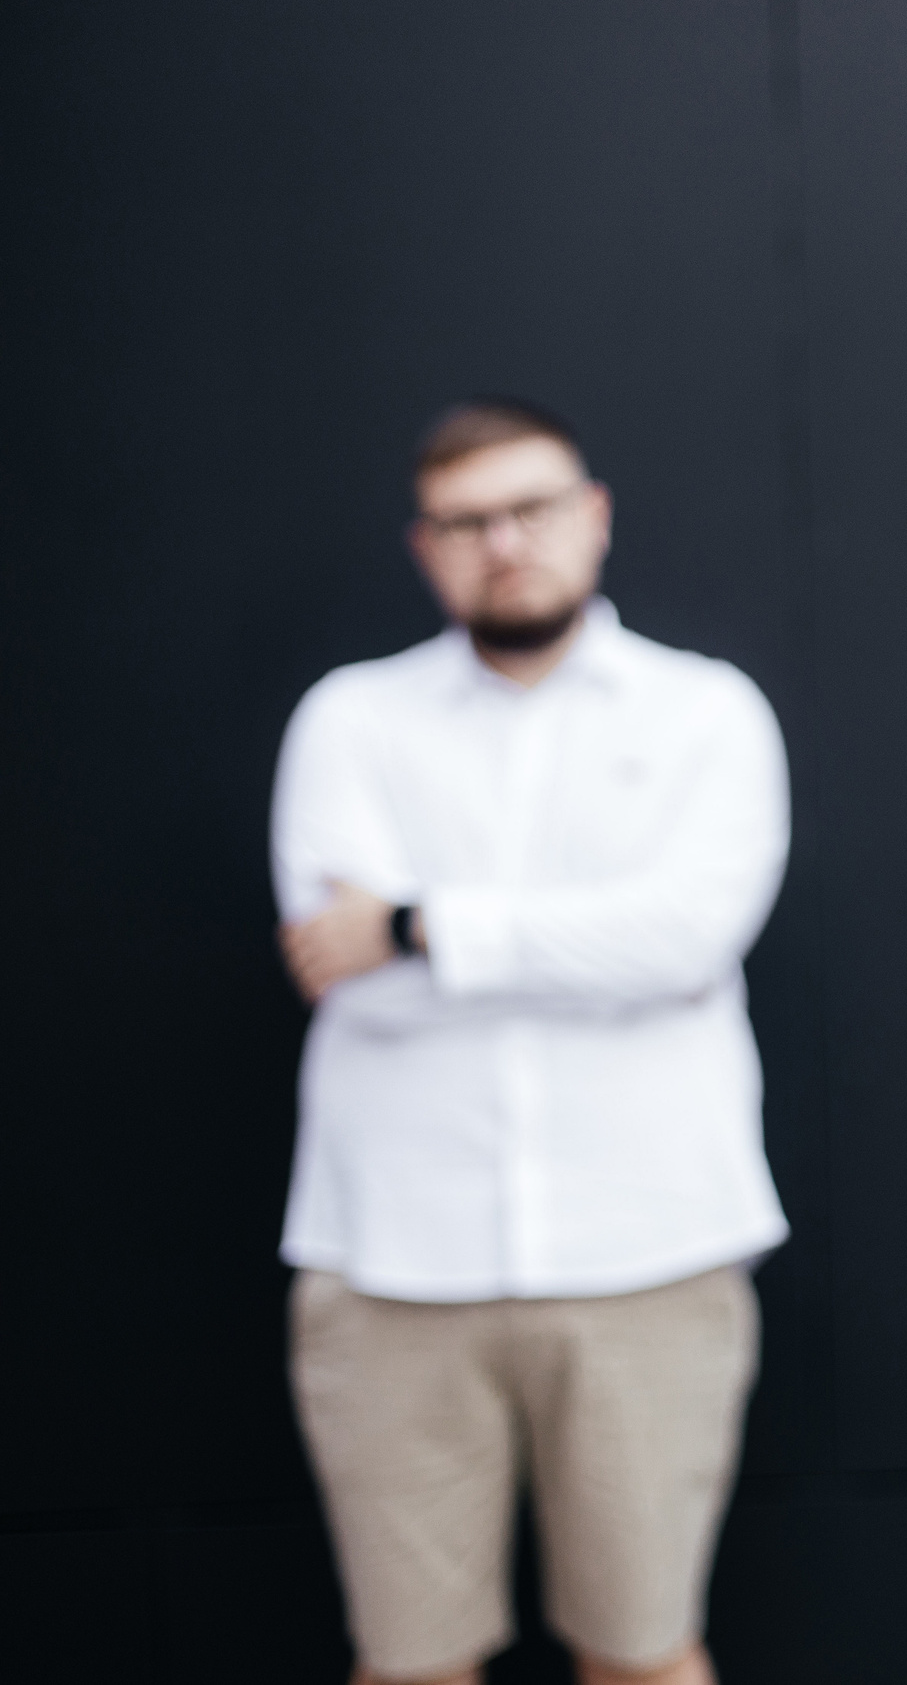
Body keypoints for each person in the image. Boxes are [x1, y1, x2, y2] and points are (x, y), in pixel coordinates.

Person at [271, 399, 789, 1685]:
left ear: (593, 516)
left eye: (531, 508)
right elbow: (350, 981)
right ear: (425, 546)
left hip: (649, 1254)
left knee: (644, 1653)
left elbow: (684, 942)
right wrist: (562, 946)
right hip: (393, 1263)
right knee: (409, 1662)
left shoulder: (707, 713)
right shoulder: (350, 721)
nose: (504, 542)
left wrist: (412, 922)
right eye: (465, 521)